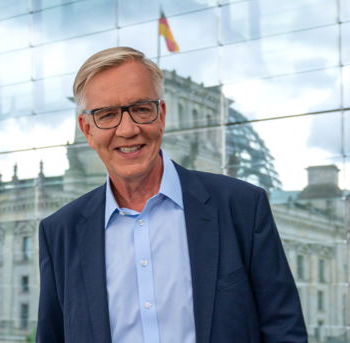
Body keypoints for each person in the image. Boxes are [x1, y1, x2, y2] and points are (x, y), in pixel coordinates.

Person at [36, 47, 307, 343]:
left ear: (161, 115)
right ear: (87, 130)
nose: (127, 129)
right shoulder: (59, 232)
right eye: (107, 115)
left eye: (141, 109)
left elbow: (283, 328)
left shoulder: (241, 206)